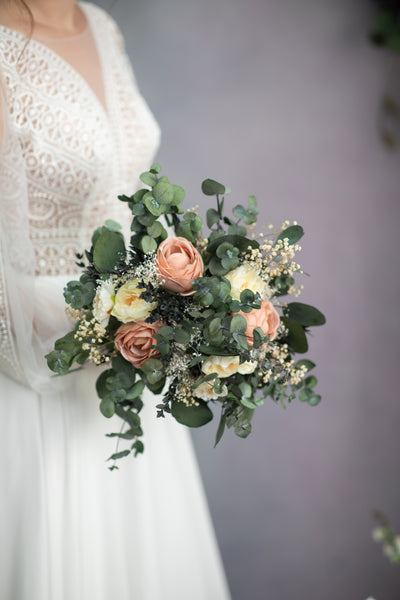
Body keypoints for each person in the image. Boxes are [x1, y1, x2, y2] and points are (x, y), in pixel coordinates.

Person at [0, 1, 231, 598]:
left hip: (128, 374)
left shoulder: (101, 26)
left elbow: (124, 196)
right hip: (34, 389)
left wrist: (198, 305)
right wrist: (111, 318)